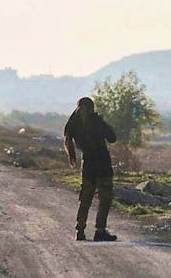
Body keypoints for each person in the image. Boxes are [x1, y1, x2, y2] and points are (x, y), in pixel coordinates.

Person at [63, 97, 118, 242]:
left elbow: (67, 140)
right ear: (92, 108)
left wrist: (72, 158)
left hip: (87, 166)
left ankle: (80, 230)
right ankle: (100, 230)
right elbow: (112, 138)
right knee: (105, 198)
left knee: (85, 199)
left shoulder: (72, 123)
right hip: (102, 165)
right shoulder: (96, 120)